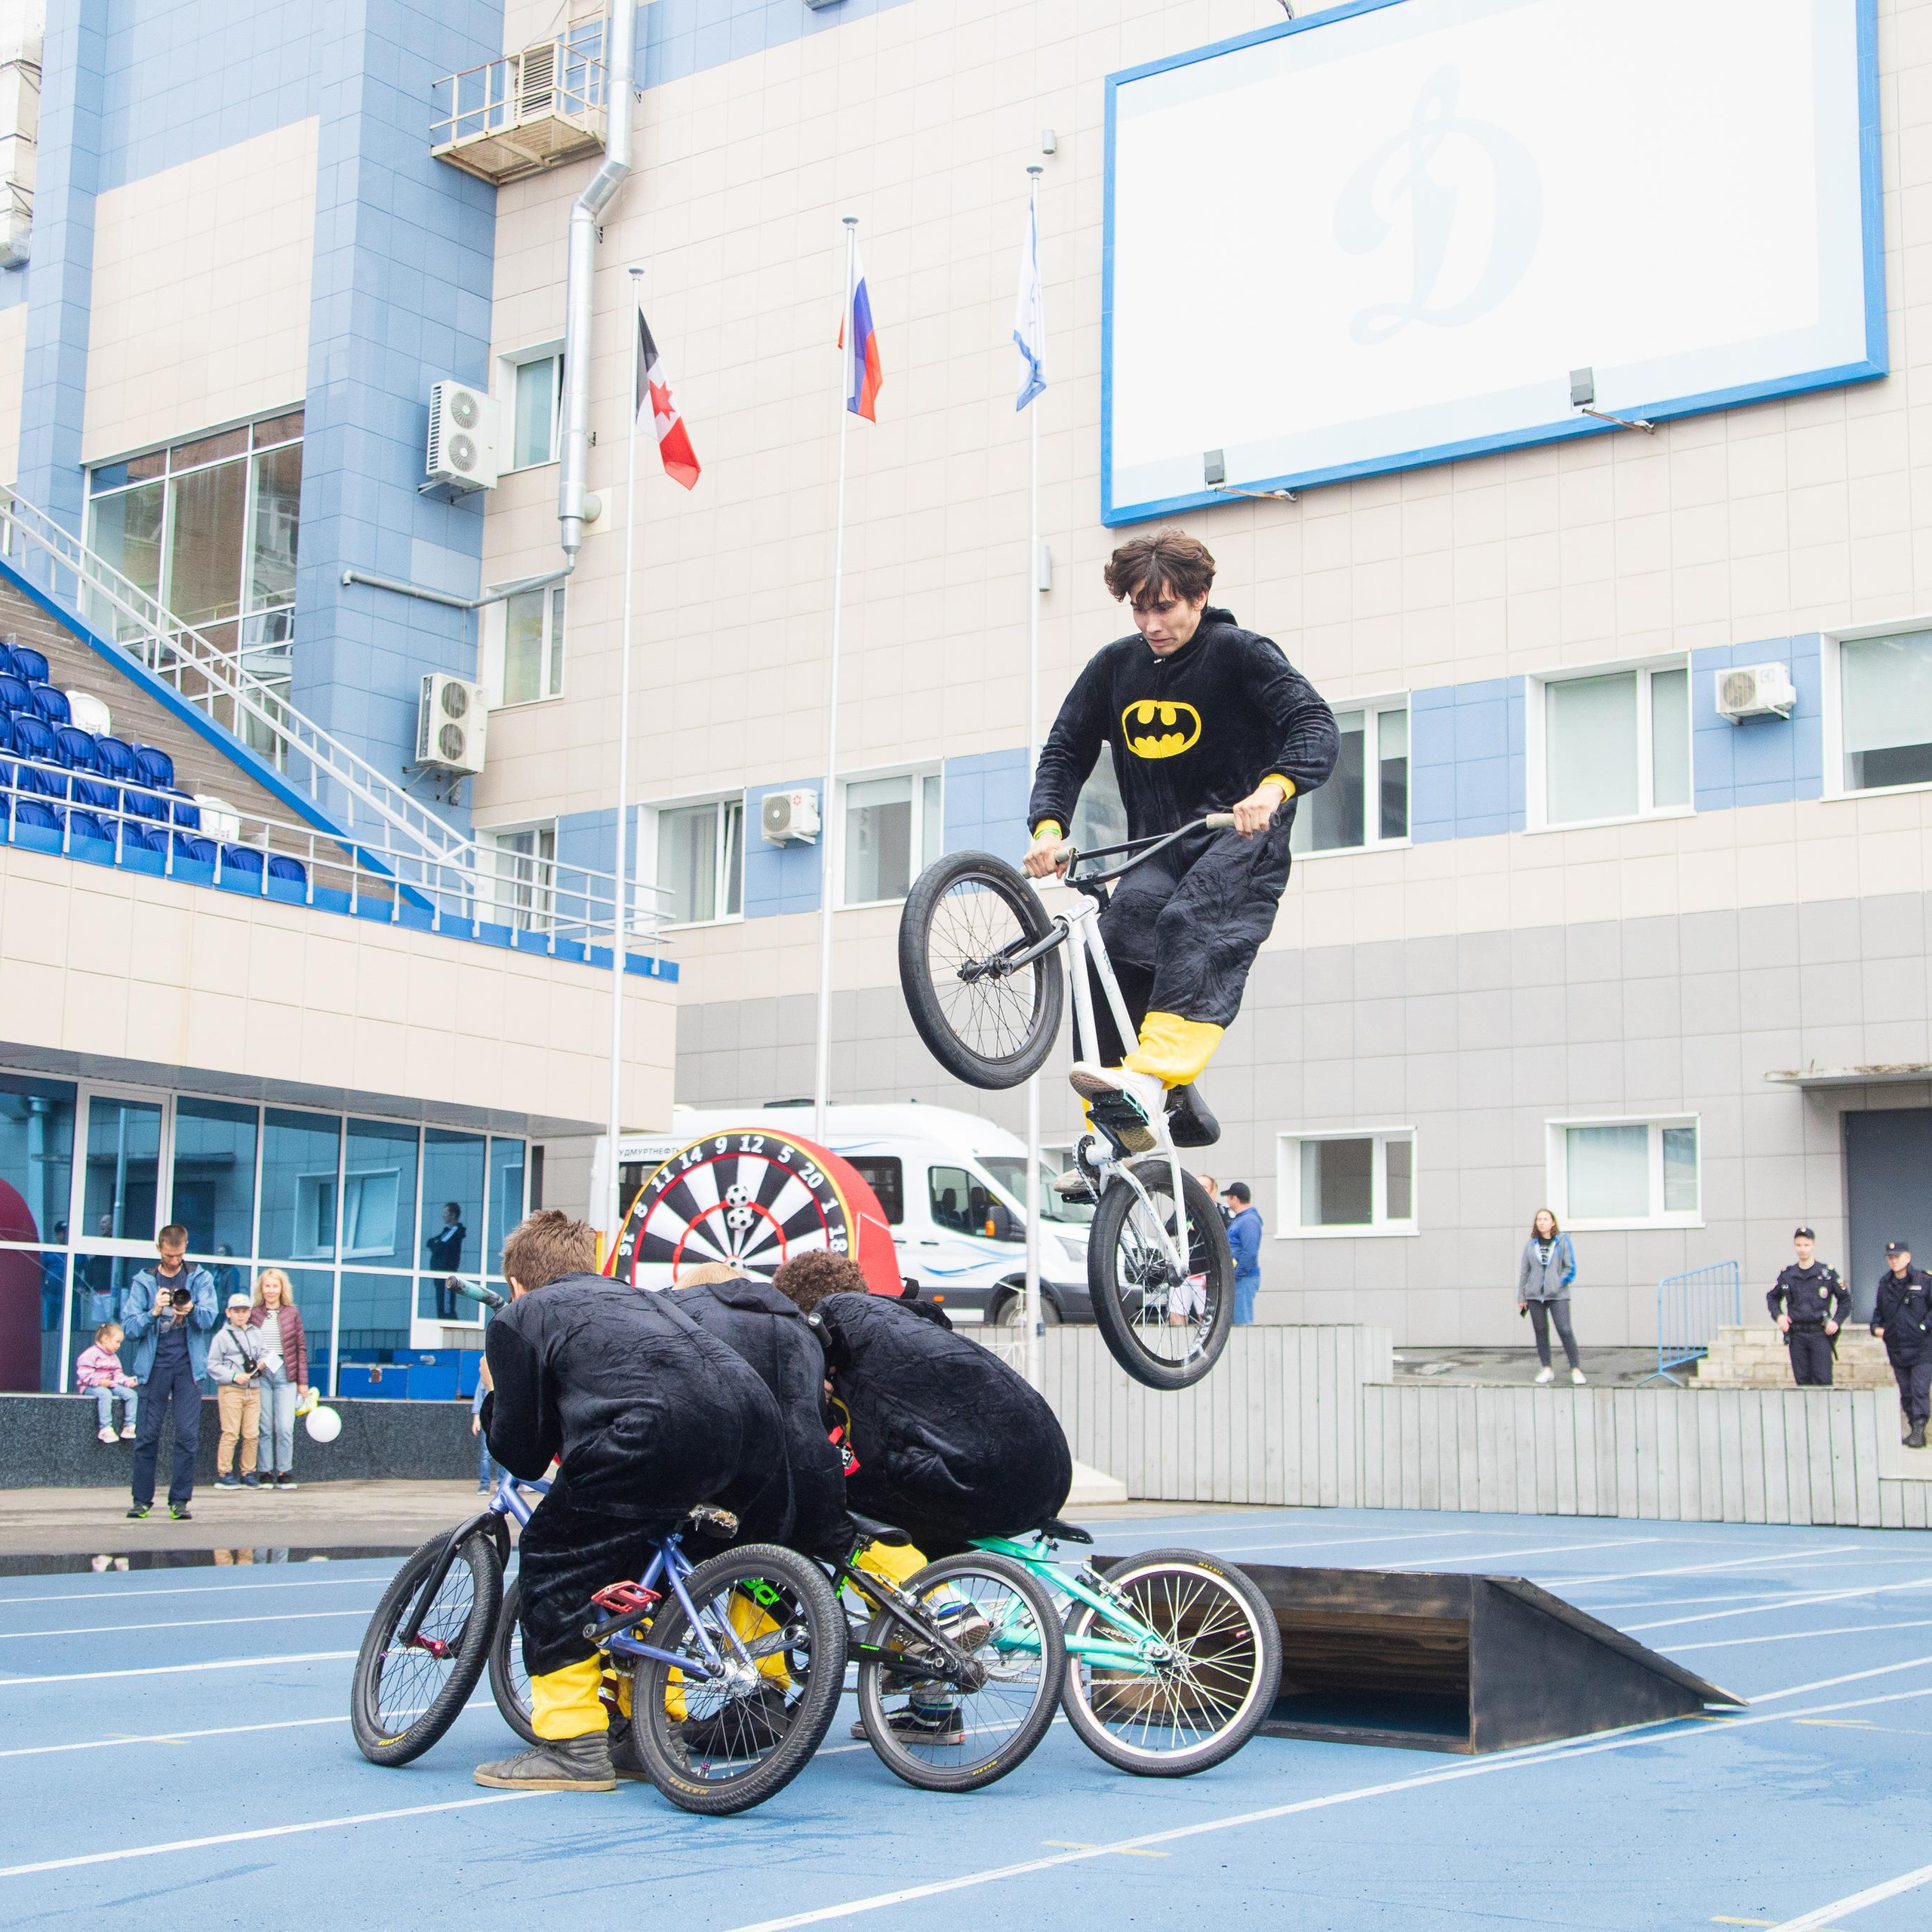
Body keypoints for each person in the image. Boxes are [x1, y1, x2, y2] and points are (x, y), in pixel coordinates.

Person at [1025, 529, 1337, 1161]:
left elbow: (1314, 722)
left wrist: (1273, 789)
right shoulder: (1116, 667)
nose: (1151, 623)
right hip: (1164, 844)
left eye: (1163, 607)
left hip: (1241, 835)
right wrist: (1049, 829)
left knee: (1192, 923)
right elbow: (1065, 750)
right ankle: (1136, 1117)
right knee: (1111, 948)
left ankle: (1152, 1075)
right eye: (1139, 609)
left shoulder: (1239, 653)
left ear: (1198, 597)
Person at [472, 1211, 794, 1795]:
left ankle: (573, 1745)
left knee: (552, 1550)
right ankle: (647, 1734)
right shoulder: (639, 1298)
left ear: (517, 1283)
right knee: (642, 1564)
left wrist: (496, 1397)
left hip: (655, 1431)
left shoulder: (520, 1315)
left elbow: (523, 1455)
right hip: (754, 1428)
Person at [772, 1250, 1073, 1746]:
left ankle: (946, 1611)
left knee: (850, 1518)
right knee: (903, 1535)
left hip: (986, 1475)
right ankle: (932, 1708)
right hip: (1040, 1464)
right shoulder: (898, 1328)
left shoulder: (840, 1334)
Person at [121, 1226, 220, 1521]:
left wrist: (189, 1310)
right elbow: (129, 1329)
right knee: (147, 1436)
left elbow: (209, 1319)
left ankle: (179, 1501)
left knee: (187, 1436)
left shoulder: (200, 1277)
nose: (174, 1261)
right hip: (154, 1367)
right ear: (158, 1249)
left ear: (185, 1247)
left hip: (189, 1367)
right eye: (168, 1255)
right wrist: (153, 1311)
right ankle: (141, 1501)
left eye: (178, 1255)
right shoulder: (144, 1281)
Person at [1768, 1226, 1849, 1388]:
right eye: (1798, 1245)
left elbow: (1846, 1300)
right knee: (1802, 1381)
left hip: (1820, 1333)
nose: (1802, 1249)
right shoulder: (1788, 1275)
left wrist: (1836, 1321)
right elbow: (1772, 1297)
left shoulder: (1827, 1273)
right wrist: (1779, 1316)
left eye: (1806, 1245)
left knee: (1823, 1380)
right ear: (1794, 1246)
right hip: (1797, 1335)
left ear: (1813, 1245)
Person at [248, 1269, 307, 1490]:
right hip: (262, 1373)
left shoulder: (292, 1313)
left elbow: (300, 1347)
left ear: (282, 1288)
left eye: (275, 1286)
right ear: (261, 1289)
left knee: (284, 1426)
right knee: (264, 1426)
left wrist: (303, 1382)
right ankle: (264, 1471)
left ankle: (284, 1471)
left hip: (286, 1372)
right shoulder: (254, 1313)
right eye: (267, 1286)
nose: (271, 1291)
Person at [1871, 1238, 1932, 1448]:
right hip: (1897, 1348)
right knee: (1906, 1391)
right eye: (1890, 1258)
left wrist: (1924, 1326)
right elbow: (1878, 1313)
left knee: (1919, 1390)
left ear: (1907, 1258)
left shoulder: (1924, 1280)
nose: (1894, 1261)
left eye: (1897, 1257)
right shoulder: (1884, 1283)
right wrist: (1877, 1329)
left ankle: (1919, 1429)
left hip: (1921, 1348)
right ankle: (1914, 1427)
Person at [1517, 1209, 1584, 1386]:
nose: (1542, 1222)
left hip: (1558, 1295)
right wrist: (1522, 1295)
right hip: (1534, 1296)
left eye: (1546, 1219)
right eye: (1539, 1219)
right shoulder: (1531, 1244)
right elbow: (1525, 1272)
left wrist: (1557, 1284)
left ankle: (1575, 1369)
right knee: (1541, 1332)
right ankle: (1547, 1368)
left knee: (1565, 1329)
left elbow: (1570, 1268)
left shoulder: (1562, 1241)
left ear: (1553, 1222)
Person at [207, 1294, 266, 1488]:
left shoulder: (256, 1333)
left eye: (244, 1311)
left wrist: (263, 1362)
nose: (241, 1315)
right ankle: (224, 1473)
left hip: (254, 1388)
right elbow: (213, 1365)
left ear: (250, 1312)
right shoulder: (222, 1337)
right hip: (231, 1389)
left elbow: (265, 1352)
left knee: (251, 1434)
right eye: (236, 1311)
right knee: (230, 1432)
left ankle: (248, 1472)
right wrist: (233, 1376)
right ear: (228, 1313)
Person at [75, 1320, 137, 1442]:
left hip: (110, 1384)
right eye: (117, 1342)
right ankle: (105, 1427)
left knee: (132, 1395)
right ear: (105, 1339)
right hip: (90, 1386)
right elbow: (84, 1374)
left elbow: (118, 1375)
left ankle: (129, 1426)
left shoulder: (114, 1358)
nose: (119, 1346)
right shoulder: (90, 1354)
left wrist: (128, 1382)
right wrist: (100, 1381)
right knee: (105, 1394)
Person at [1226, 1182, 1263, 1326]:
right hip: (1240, 1277)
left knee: (1242, 1323)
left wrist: (1236, 1275)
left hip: (1243, 1278)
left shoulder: (1248, 1221)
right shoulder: (1243, 1219)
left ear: (1235, 1199)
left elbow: (1249, 1253)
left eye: (1229, 1198)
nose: (1227, 1202)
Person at [426, 1201, 466, 1320]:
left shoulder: (455, 1231)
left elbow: (439, 1246)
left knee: (446, 1308)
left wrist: (436, 1244)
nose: (443, 1215)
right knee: (442, 1306)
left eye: (445, 1212)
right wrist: (436, 1243)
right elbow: (430, 1242)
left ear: (453, 1215)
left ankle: (451, 1329)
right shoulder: (447, 1232)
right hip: (439, 1275)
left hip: (446, 1275)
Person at [472, 1355, 495, 1491]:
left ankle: (501, 1484)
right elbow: (478, 1399)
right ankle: (484, 1485)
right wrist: (476, 1419)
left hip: (499, 1418)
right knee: (486, 1455)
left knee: (503, 1457)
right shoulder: (483, 1381)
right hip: (488, 1418)